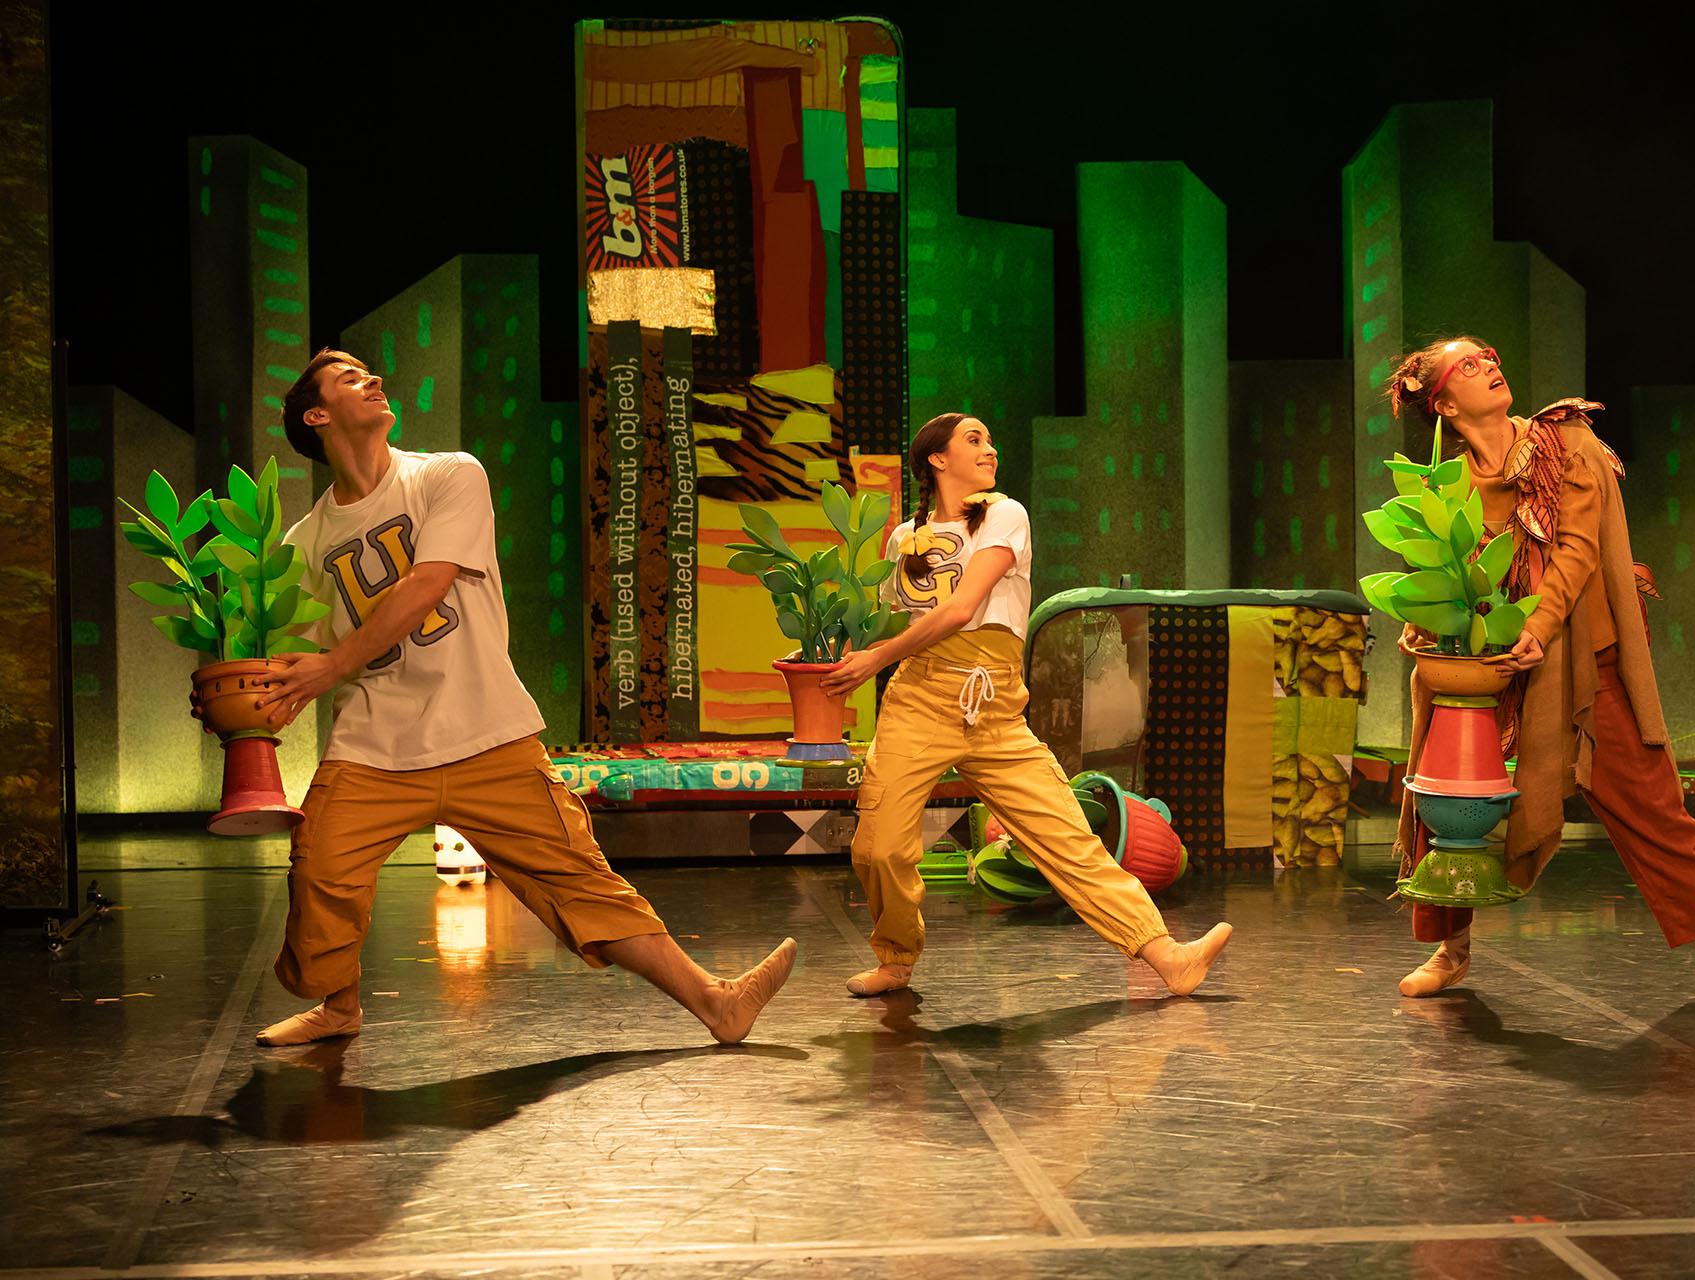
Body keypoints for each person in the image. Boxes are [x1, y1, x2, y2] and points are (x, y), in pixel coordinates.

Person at [222, 348, 795, 1047]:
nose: (373, 379)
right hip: (375, 743)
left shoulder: (447, 475)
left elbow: (426, 582)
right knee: (321, 872)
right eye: (349, 378)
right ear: (317, 416)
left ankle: (717, 1002)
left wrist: (329, 664)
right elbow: (297, 657)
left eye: (371, 371)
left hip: (486, 731)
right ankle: (338, 1009)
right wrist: (246, 703)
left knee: (580, 882)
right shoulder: (304, 541)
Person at [1385, 338, 1695, 1002]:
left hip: (1583, 663)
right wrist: (1426, 620)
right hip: (1496, 669)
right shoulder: (1450, 485)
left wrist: (1538, 631)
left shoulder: (1564, 444)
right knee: (1447, 792)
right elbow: (1450, 580)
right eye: (1469, 364)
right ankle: (1450, 948)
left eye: (1489, 354)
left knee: (1654, 810)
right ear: (1444, 402)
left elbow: (1575, 552)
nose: (1490, 364)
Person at [820, 413, 1232, 997]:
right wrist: (839, 649)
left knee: (1063, 832)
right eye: (974, 440)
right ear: (937, 459)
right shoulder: (901, 538)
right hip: (920, 696)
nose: (991, 448)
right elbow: (901, 620)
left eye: (990, 438)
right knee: (878, 845)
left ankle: (1167, 956)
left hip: (991, 701)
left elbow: (963, 609)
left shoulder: (1004, 514)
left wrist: (876, 659)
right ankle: (896, 957)